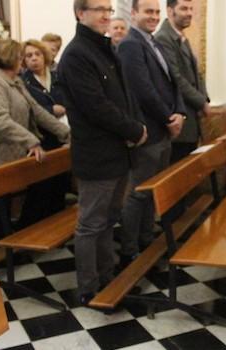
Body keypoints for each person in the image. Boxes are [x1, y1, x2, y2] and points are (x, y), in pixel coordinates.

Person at [59, 0, 147, 304]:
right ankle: (88, 287)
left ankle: (107, 277)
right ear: (80, 13)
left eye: (109, 10)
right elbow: (95, 107)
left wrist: (135, 126)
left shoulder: (104, 47)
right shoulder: (75, 55)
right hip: (97, 155)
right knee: (91, 224)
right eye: (99, 9)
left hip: (118, 153)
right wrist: (134, 130)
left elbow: (124, 95)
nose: (106, 15)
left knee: (109, 219)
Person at [0, 38, 70, 235]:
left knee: (41, 188)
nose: (22, 60)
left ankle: (27, 235)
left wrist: (67, 134)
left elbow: (37, 112)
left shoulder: (13, 80)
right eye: (20, 56)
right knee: (1, 209)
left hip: (11, 151)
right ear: (9, 58)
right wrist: (31, 141)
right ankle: (5, 253)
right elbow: (0, 120)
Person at [117, 0, 185, 269]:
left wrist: (180, 111)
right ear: (133, 14)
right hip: (149, 131)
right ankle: (129, 248)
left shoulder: (153, 42)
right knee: (138, 193)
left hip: (164, 129)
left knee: (151, 190)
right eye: (148, 12)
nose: (154, 17)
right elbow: (142, 89)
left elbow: (172, 82)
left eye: (157, 12)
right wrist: (168, 118)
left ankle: (146, 238)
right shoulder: (130, 44)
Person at [19, 39, 70, 227]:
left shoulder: (57, 77)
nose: (34, 59)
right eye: (29, 56)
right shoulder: (24, 82)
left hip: (63, 134)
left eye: (37, 54)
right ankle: (34, 227)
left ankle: (56, 224)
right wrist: (51, 109)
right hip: (41, 137)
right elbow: (30, 111)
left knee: (60, 185)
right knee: (41, 188)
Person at [155, 0, 210, 163]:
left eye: (191, 9)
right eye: (184, 8)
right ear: (170, 11)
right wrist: (201, 102)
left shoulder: (181, 37)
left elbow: (197, 74)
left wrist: (205, 98)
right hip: (180, 122)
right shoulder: (164, 38)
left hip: (191, 120)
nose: (189, 13)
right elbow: (176, 78)